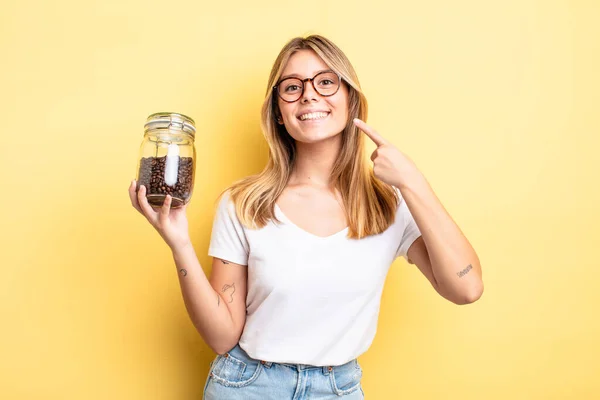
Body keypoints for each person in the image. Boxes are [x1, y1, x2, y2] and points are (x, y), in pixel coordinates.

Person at [128, 34, 483, 399]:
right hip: (247, 386)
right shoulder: (244, 203)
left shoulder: (388, 204)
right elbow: (221, 337)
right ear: (279, 113)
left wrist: (414, 182)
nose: (309, 95)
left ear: (351, 100)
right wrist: (180, 243)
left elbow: (466, 288)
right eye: (292, 87)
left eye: (326, 82)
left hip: (338, 389)